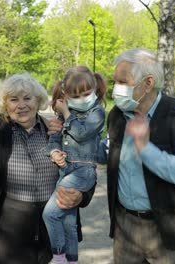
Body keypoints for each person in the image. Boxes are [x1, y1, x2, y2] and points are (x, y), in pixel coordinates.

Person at [0, 72, 95, 264]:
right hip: (12, 227)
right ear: (5, 105)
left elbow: (84, 167)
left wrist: (82, 195)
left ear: (38, 101)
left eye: (27, 98)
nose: (21, 105)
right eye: (14, 99)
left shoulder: (57, 130)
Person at [103, 48, 175, 264]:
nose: (116, 90)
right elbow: (109, 154)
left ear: (148, 83)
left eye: (123, 82)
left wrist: (145, 149)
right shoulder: (117, 115)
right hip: (126, 228)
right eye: (115, 82)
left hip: (170, 230)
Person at [42, 66, 106, 264]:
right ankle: (71, 260)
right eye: (76, 95)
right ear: (66, 95)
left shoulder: (97, 112)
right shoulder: (63, 116)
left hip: (83, 173)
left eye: (87, 93)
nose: (83, 99)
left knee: (50, 214)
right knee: (69, 222)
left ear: (94, 90)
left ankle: (59, 257)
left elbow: (80, 132)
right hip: (66, 171)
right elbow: (53, 140)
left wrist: (66, 112)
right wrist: (54, 153)